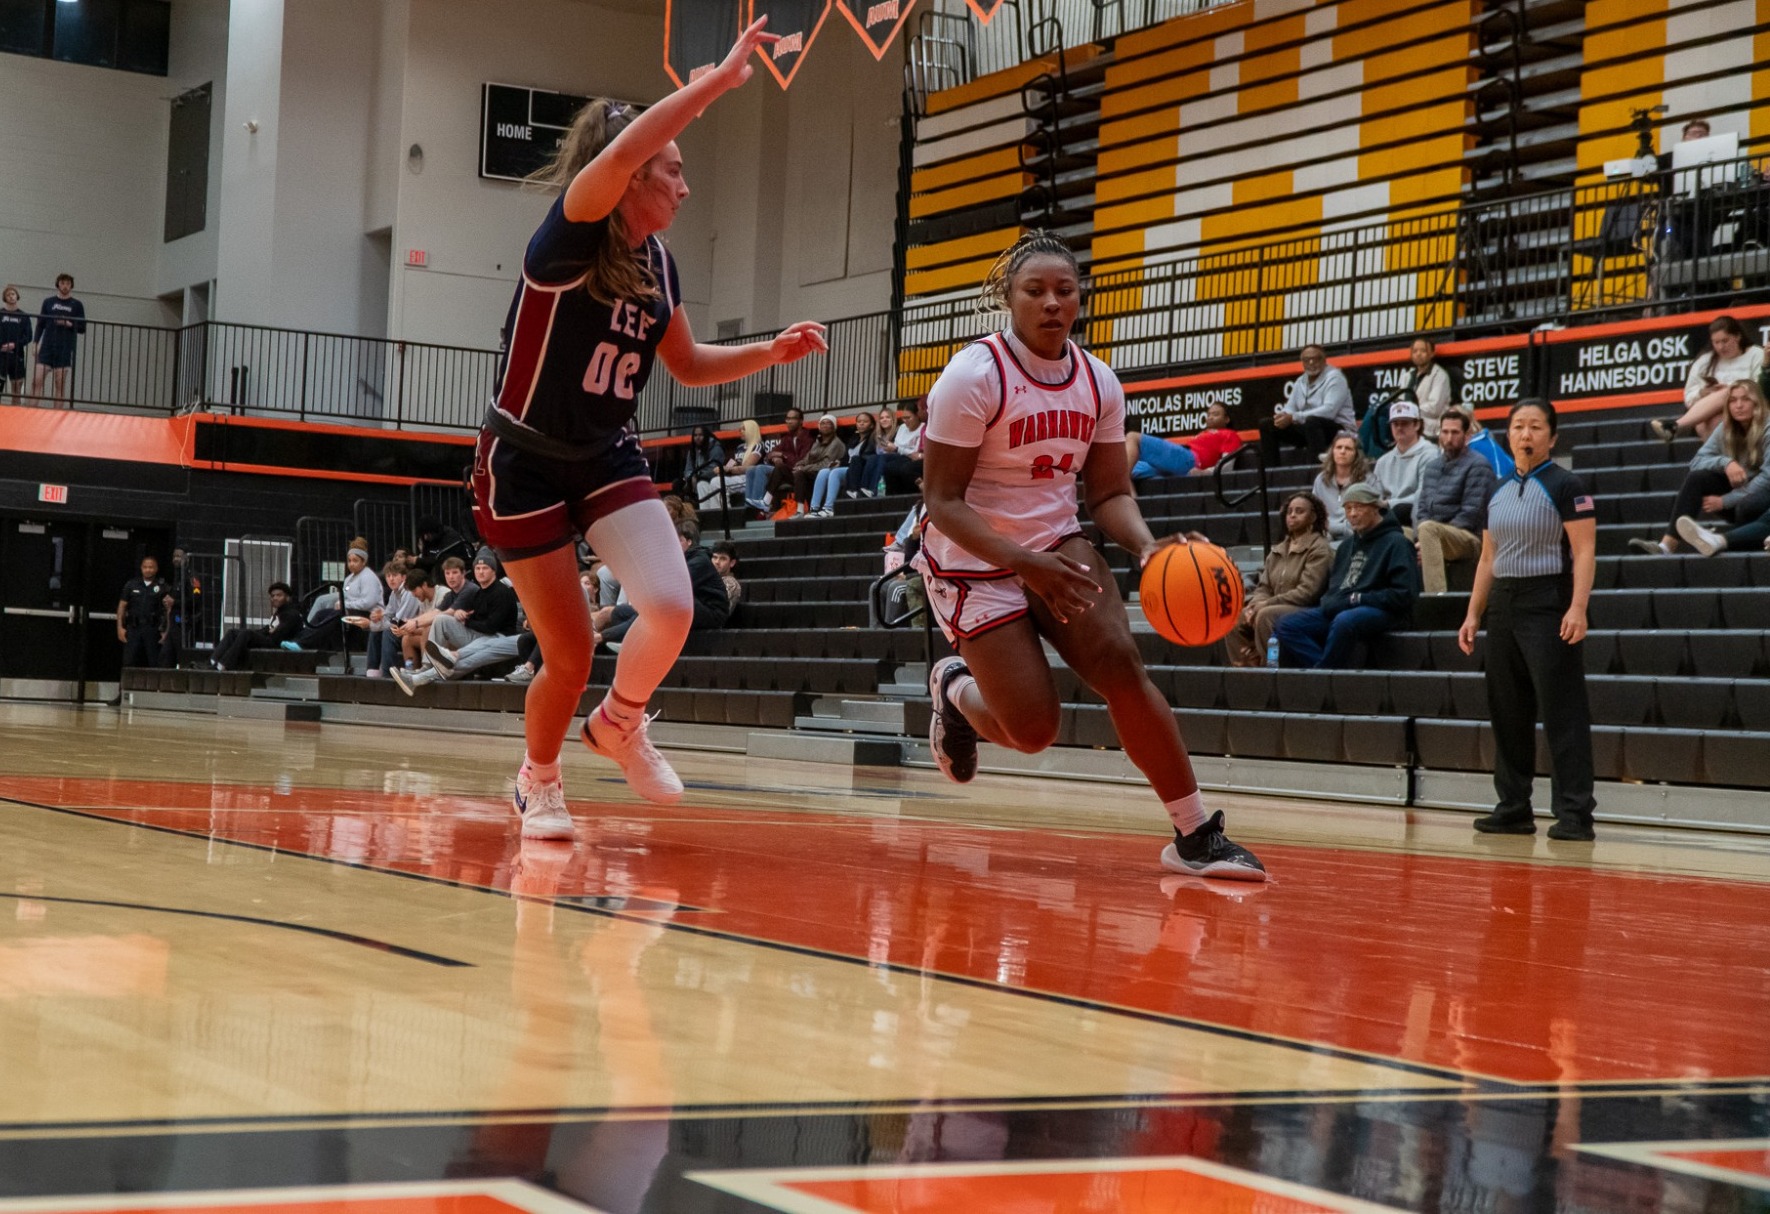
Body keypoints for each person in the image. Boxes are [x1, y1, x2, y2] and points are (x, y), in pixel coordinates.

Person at [469, 20, 828, 838]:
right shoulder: (572, 230)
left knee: (671, 603)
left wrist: (769, 351)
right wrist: (719, 82)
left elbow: (689, 365)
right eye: (674, 170)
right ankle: (538, 779)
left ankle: (620, 723)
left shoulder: (658, 260)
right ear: (631, 173)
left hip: (603, 454)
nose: (685, 188)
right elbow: (631, 146)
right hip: (523, 459)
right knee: (568, 656)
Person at [915, 229, 1264, 881]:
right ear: (1010, 298)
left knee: (1122, 668)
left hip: (1057, 542)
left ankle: (1195, 834)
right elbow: (941, 501)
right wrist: (1023, 564)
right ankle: (954, 687)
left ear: (1080, 298)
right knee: (1033, 731)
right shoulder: (973, 375)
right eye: (1035, 290)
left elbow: (1108, 494)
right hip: (973, 558)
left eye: (1065, 290)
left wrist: (1148, 547)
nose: (1052, 302)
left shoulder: (1098, 380)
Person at [1458, 399, 1599, 841]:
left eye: (1535, 427)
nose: (1525, 434)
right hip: (1503, 603)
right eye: (1518, 426)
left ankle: (1575, 813)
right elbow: (1488, 557)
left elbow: (1585, 552)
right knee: (1508, 710)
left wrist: (1578, 607)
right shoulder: (1497, 489)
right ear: (1509, 435)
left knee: (1562, 711)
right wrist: (1473, 613)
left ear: (1551, 437)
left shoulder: (1567, 485)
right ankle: (1514, 807)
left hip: (1548, 601)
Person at [1273, 484, 1418, 669]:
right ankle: (1324, 672)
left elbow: (1404, 594)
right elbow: (1335, 588)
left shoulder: (1397, 543)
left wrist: (1359, 599)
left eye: (1359, 507)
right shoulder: (1346, 546)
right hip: (1346, 608)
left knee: (1345, 620)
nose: (1353, 514)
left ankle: (1324, 673)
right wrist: (1332, 602)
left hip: (1386, 611)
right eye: (1348, 508)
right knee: (1287, 624)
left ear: (1375, 508)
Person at [1634, 379, 1770, 555]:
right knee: (1698, 478)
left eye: (1745, 399)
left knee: (1748, 505)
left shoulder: (1767, 426)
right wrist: (1726, 463)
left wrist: (1725, 501)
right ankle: (1666, 546)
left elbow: (1767, 479)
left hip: (1761, 498)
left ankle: (1730, 540)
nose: (1738, 405)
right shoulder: (1726, 427)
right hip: (1741, 494)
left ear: (1757, 403)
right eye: (1732, 400)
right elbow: (1697, 462)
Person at [1224, 492, 1332, 667]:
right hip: (1274, 604)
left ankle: (1273, 669)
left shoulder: (1319, 549)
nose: (1292, 515)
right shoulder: (1278, 550)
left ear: (1313, 517)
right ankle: (1246, 671)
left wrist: (1265, 604)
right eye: (1289, 512)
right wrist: (1255, 605)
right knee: (1235, 617)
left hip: (1306, 607)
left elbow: (1308, 593)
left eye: (1299, 511)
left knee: (1266, 615)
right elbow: (1264, 587)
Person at [396, 549, 521, 691]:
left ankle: (424, 674)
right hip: (480, 636)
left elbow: (491, 627)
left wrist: (466, 621)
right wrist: (463, 615)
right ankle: (428, 666)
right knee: (441, 620)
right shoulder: (479, 592)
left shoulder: (500, 592)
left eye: (485, 568)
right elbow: (441, 613)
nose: (480, 572)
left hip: (497, 637)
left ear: (494, 571)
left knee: (460, 658)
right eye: (478, 568)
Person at [594, 518, 731, 645]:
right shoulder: (678, 559)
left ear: (689, 542)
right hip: (691, 606)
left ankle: (606, 638)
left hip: (712, 614)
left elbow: (671, 587)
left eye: (678, 540)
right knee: (619, 612)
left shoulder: (700, 561)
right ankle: (620, 640)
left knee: (661, 607)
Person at [1413, 407, 1498, 594]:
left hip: (1470, 538)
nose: (1449, 438)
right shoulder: (1432, 467)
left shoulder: (1478, 464)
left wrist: (1430, 537)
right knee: (1398, 534)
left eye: (1455, 432)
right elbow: (1422, 508)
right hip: (1434, 532)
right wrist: (1421, 541)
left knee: (1428, 529)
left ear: (1467, 436)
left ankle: (1437, 598)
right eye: (1444, 432)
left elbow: (1471, 514)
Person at [1649, 315, 1764, 442]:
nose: (1720, 347)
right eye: (1716, 342)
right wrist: (1702, 393)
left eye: (1725, 341)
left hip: (1749, 410)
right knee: (1706, 422)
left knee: (1728, 392)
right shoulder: (1705, 361)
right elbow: (1689, 397)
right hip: (1717, 417)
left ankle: (1677, 426)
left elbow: (1761, 387)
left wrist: (1731, 390)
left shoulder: (1756, 354)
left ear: (1737, 336)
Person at [1259, 344, 1353, 464]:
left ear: (1324, 360)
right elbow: (1290, 408)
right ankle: (1270, 470)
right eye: (1307, 359)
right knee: (1266, 424)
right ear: (1302, 362)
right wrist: (1282, 416)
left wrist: (1294, 417)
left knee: (1312, 421)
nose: (1311, 362)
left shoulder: (1335, 378)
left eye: (1316, 358)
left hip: (1339, 430)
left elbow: (1329, 411)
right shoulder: (1301, 381)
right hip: (1310, 429)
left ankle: (1315, 468)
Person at [289, 537, 384, 650]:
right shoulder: (349, 579)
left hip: (368, 615)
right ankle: (299, 640)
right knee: (321, 614)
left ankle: (304, 644)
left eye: (355, 561)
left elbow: (368, 603)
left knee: (336, 615)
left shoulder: (368, 577)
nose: (351, 564)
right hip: (351, 612)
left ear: (363, 562)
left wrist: (345, 604)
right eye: (349, 561)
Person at [1370, 401, 1438, 527]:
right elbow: (1374, 495)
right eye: (1395, 424)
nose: (1399, 428)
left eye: (1404, 423)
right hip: (1386, 514)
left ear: (1417, 425)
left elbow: (1424, 496)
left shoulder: (1430, 455)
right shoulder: (1383, 461)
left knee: (1400, 510)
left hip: (1414, 516)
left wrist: (1389, 503)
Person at [212, 582, 301, 671]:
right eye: (272, 596)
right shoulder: (279, 612)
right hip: (269, 639)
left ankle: (224, 664)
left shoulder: (292, 614)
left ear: (287, 597)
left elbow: (280, 634)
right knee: (232, 633)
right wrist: (268, 631)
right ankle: (213, 660)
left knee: (247, 634)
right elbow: (268, 629)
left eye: (279, 595)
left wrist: (272, 630)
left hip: (277, 644)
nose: (275, 598)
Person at [32, 274, 84, 407]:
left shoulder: (77, 305)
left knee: (59, 384)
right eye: (62, 283)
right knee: (37, 381)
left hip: (64, 348)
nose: (65, 286)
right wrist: (35, 342)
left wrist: (69, 323)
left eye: (68, 283)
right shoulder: (48, 302)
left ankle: (57, 415)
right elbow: (40, 324)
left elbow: (82, 327)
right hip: (47, 346)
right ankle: (31, 410)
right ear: (58, 284)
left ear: (71, 286)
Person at [363, 560, 419, 678]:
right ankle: (372, 672)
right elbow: (388, 615)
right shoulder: (394, 593)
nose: (391, 579)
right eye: (388, 576)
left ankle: (388, 674)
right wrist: (376, 621)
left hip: (412, 628)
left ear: (403, 577)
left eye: (394, 575)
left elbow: (398, 621)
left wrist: (370, 624)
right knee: (376, 631)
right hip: (402, 627)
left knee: (388, 633)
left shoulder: (408, 591)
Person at [1312, 432, 1371, 540]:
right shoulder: (1320, 479)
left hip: (1357, 534)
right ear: (1332, 451)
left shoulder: (1367, 480)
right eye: (1339, 447)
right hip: (1326, 535)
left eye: (1348, 448)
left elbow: (1369, 516)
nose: (1342, 451)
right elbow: (1315, 512)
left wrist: (1333, 527)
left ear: (1356, 454)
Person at [755, 406, 813, 515]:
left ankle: (798, 510)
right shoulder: (787, 438)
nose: (789, 422)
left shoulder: (808, 439)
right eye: (787, 418)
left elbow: (801, 461)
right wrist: (776, 458)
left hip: (804, 474)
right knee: (779, 467)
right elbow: (770, 454)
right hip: (791, 474)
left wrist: (782, 455)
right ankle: (766, 502)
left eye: (792, 418)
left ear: (801, 421)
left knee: (786, 469)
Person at [116, 555, 170, 670]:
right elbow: (122, 606)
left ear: (156, 569)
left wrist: (166, 630)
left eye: (151, 567)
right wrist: (120, 627)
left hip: (153, 628)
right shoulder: (131, 585)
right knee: (129, 661)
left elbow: (168, 610)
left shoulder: (162, 587)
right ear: (141, 568)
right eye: (145, 567)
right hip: (133, 628)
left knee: (155, 661)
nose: (148, 570)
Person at [792, 413, 849, 517]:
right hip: (812, 471)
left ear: (834, 427)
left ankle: (813, 508)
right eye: (823, 423)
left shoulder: (836, 443)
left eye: (828, 423)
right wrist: (799, 465)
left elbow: (826, 464)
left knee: (801, 474)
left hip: (826, 472)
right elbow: (807, 458)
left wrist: (803, 468)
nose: (825, 426)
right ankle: (800, 510)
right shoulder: (817, 442)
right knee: (793, 472)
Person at [1403, 337, 1452, 438]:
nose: (1418, 354)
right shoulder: (1407, 376)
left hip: (1429, 427)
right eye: (1415, 351)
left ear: (1432, 353)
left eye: (1423, 351)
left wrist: (1410, 410)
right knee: (1378, 415)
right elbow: (1400, 400)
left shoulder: (1439, 375)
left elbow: (1435, 408)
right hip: (1407, 422)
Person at [882, 396, 927, 495]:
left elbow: (915, 453)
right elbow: (896, 444)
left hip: (911, 457)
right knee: (877, 459)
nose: (905, 421)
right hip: (899, 454)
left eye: (908, 418)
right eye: (903, 418)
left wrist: (898, 449)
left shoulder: (922, 427)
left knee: (893, 466)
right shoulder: (902, 427)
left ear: (917, 416)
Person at [0, 286, 31, 405]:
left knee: (17, 387)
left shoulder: (24, 316)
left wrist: (15, 345)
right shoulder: (1, 313)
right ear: (5, 298)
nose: (11, 296)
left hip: (17, 355)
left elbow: (28, 336)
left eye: (13, 294)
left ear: (17, 296)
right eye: (8, 295)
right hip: (2, 355)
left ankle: (16, 410)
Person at [682, 424, 727, 504]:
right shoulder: (692, 450)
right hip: (695, 478)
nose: (697, 437)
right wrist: (691, 477)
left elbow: (713, 469)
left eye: (700, 435)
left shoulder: (716, 448)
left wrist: (697, 476)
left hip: (712, 479)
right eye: (695, 435)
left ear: (706, 436)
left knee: (701, 484)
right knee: (677, 484)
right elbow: (688, 469)